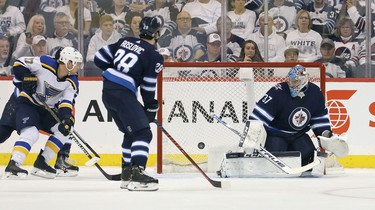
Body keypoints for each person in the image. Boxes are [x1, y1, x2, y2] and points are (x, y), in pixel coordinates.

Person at [94, 16, 163, 191]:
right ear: (157, 34)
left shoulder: (124, 41)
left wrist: (115, 72)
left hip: (108, 91)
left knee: (129, 132)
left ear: (140, 30)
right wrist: (150, 106)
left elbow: (98, 57)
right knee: (143, 133)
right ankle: (138, 174)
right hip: (123, 94)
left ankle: (127, 173)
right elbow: (148, 86)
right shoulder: (154, 56)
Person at [4, 46, 83, 179]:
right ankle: (13, 165)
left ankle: (42, 162)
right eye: (77, 64)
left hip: (46, 110)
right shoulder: (45, 63)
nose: (79, 67)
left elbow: (66, 103)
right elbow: (19, 63)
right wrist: (27, 77)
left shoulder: (72, 82)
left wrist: (66, 119)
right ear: (69, 63)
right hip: (27, 104)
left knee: (64, 130)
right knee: (31, 133)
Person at [248, 65, 349, 168]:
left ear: (304, 81)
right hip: (277, 134)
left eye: (295, 81)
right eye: (290, 80)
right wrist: (252, 139)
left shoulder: (315, 93)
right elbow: (257, 118)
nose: (291, 84)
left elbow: (319, 120)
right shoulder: (277, 91)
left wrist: (327, 135)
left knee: (309, 158)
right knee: (274, 161)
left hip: (298, 135)